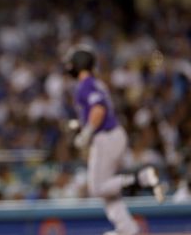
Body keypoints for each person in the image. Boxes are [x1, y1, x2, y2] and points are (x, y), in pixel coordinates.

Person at [64, 45, 164, 235]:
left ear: (77, 64)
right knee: (109, 192)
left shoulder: (84, 85)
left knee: (98, 187)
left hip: (106, 136)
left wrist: (85, 133)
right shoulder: (95, 82)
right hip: (113, 135)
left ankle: (141, 178)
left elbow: (98, 110)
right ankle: (127, 228)